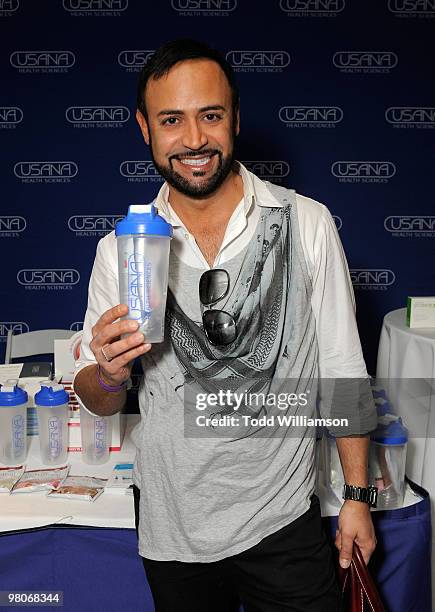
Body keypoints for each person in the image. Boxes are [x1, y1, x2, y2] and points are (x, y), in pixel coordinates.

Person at [74, 39, 378, 612]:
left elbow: (342, 369)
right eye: (171, 120)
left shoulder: (306, 223)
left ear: (235, 117)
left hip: (284, 521)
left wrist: (357, 494)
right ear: (145, 128)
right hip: (173, 524)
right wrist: (111, 375)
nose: (193, 140)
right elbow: (96, 398)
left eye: (209, 115)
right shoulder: (121, 249)